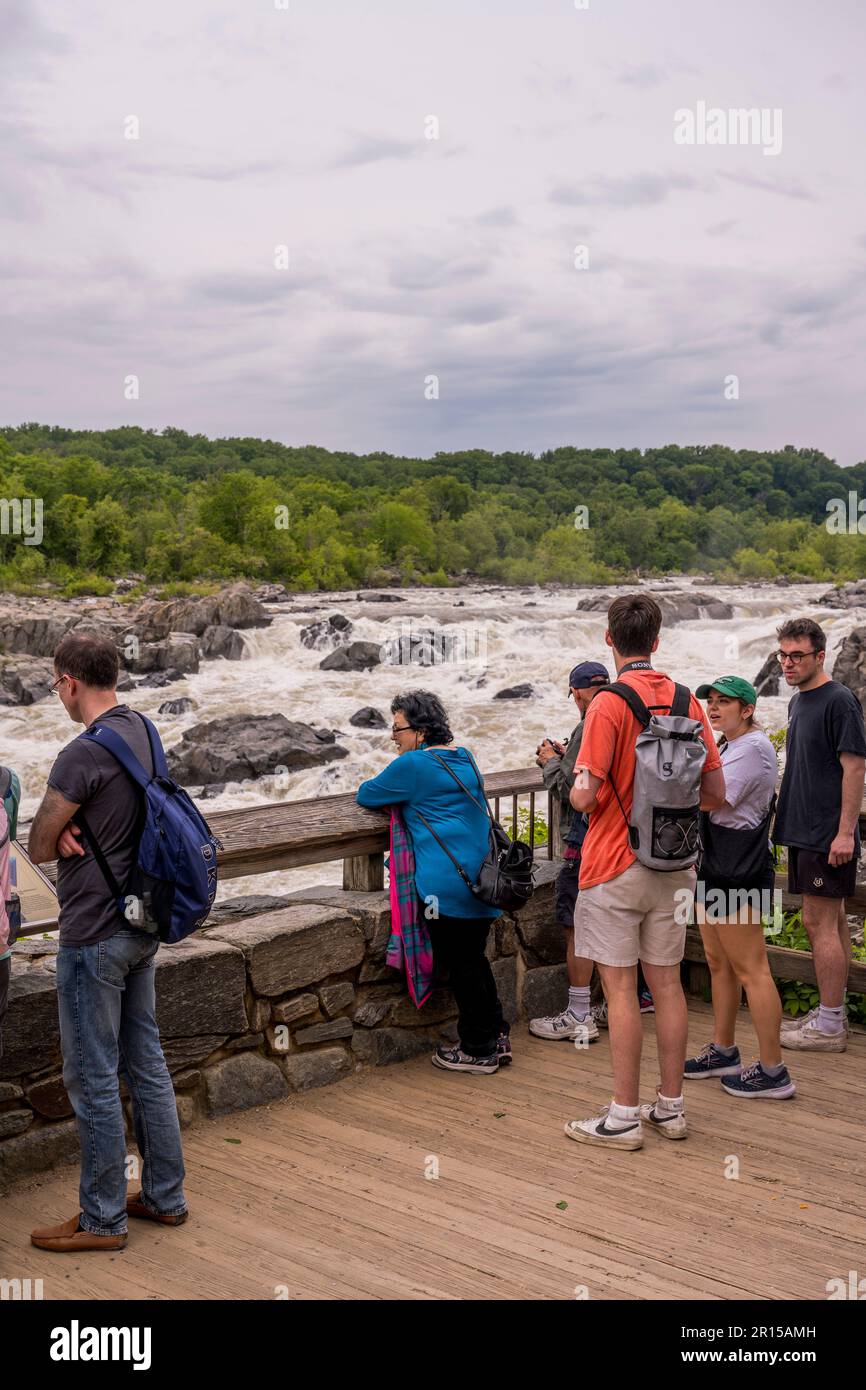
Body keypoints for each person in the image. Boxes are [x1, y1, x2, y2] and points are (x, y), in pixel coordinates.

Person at [27, 633, 188, 1253]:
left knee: (92, 1077)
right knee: (145, 1064)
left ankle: (101, 1218)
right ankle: (164, 1196)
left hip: (94, 933)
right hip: (144, 921)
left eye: (54, 683)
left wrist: (64, 831)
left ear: (69, 681)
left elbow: (39, 843)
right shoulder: (143, 729)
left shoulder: (80, 754)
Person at [564, 594, 725, 1150]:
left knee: (621, 989)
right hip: (676, 865)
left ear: (610, 639)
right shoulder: (688, 701)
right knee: (669, 984)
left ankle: (623, 1117)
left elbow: (584, 797)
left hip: (614, 865)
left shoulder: (607, 705)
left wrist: (583, 785)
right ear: (657, 641)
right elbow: (716, 792)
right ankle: (672, 1110)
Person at [356, 690, 508, 1074]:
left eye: (398, 729)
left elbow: (367, 794)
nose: (394, 737)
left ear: (420, 732)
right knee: (475, 958)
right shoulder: (464, 757)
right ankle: (497, 1033)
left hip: (446, 886)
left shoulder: (412, 768)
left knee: (463, 965)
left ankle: (478, 1050)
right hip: (485, 877)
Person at [685, 676, 795, 1098]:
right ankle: (724, 1050)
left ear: (747, 709)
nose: (714, 708)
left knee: (753, 969)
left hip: (740, 868)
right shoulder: (729, 745)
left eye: (724, 702)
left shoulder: (753, 749)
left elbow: (709, 798)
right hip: (717, 864)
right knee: (717, 961)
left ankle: (773, 1071)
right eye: (710, 701)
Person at [772, 618, 866, 1053]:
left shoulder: (839, 700)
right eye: (783, 655)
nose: (788, 663)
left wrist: (846, 833)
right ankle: (833, 1012)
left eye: (797, 656)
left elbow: (855, 767)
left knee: (818, 921)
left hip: (825, 834)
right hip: (805, 829)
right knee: (833, 921)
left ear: (820, 656)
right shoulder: (799, 701)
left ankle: (829, 1028)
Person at [531, 661, 611, 1043]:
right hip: (620, 843)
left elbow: (572, 791)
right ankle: (614, 1003)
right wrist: (568, 755)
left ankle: (579, 1014)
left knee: (575, 925)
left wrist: (550, 762)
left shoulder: (589, 722)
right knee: (613, 926)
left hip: (583, 844)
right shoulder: (621, 712)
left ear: (577, 692)